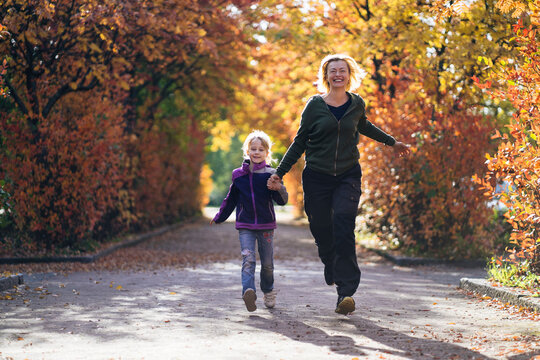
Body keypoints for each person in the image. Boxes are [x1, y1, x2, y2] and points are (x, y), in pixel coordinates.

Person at [268, 54, 410, 315]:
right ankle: (330, 263)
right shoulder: (314, 106)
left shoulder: (356, 104)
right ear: (326, 76)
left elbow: (365, 126)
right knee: (322, 229)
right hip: (317, 176)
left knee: (344, 224)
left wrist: (392, 142)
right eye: (333, 71)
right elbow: (299, 141)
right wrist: (280, 172)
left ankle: (345, 291)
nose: (338, 75)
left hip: (347, 174)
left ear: (349, 74)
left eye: (342, 70)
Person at [211, 130, 288, 312]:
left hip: (266, 225)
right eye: (253, 148)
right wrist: (220, 217)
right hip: (245, 224)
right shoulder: (239, 175)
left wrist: (279, 187)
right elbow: (230, 199)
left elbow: (282, 200)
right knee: (248, 259)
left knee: (267, 263)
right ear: (247, 151)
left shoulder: (271, 174)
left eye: (261, 149)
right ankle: (249, 292)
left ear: (267, 153)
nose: (256, 152)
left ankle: (268, 291)